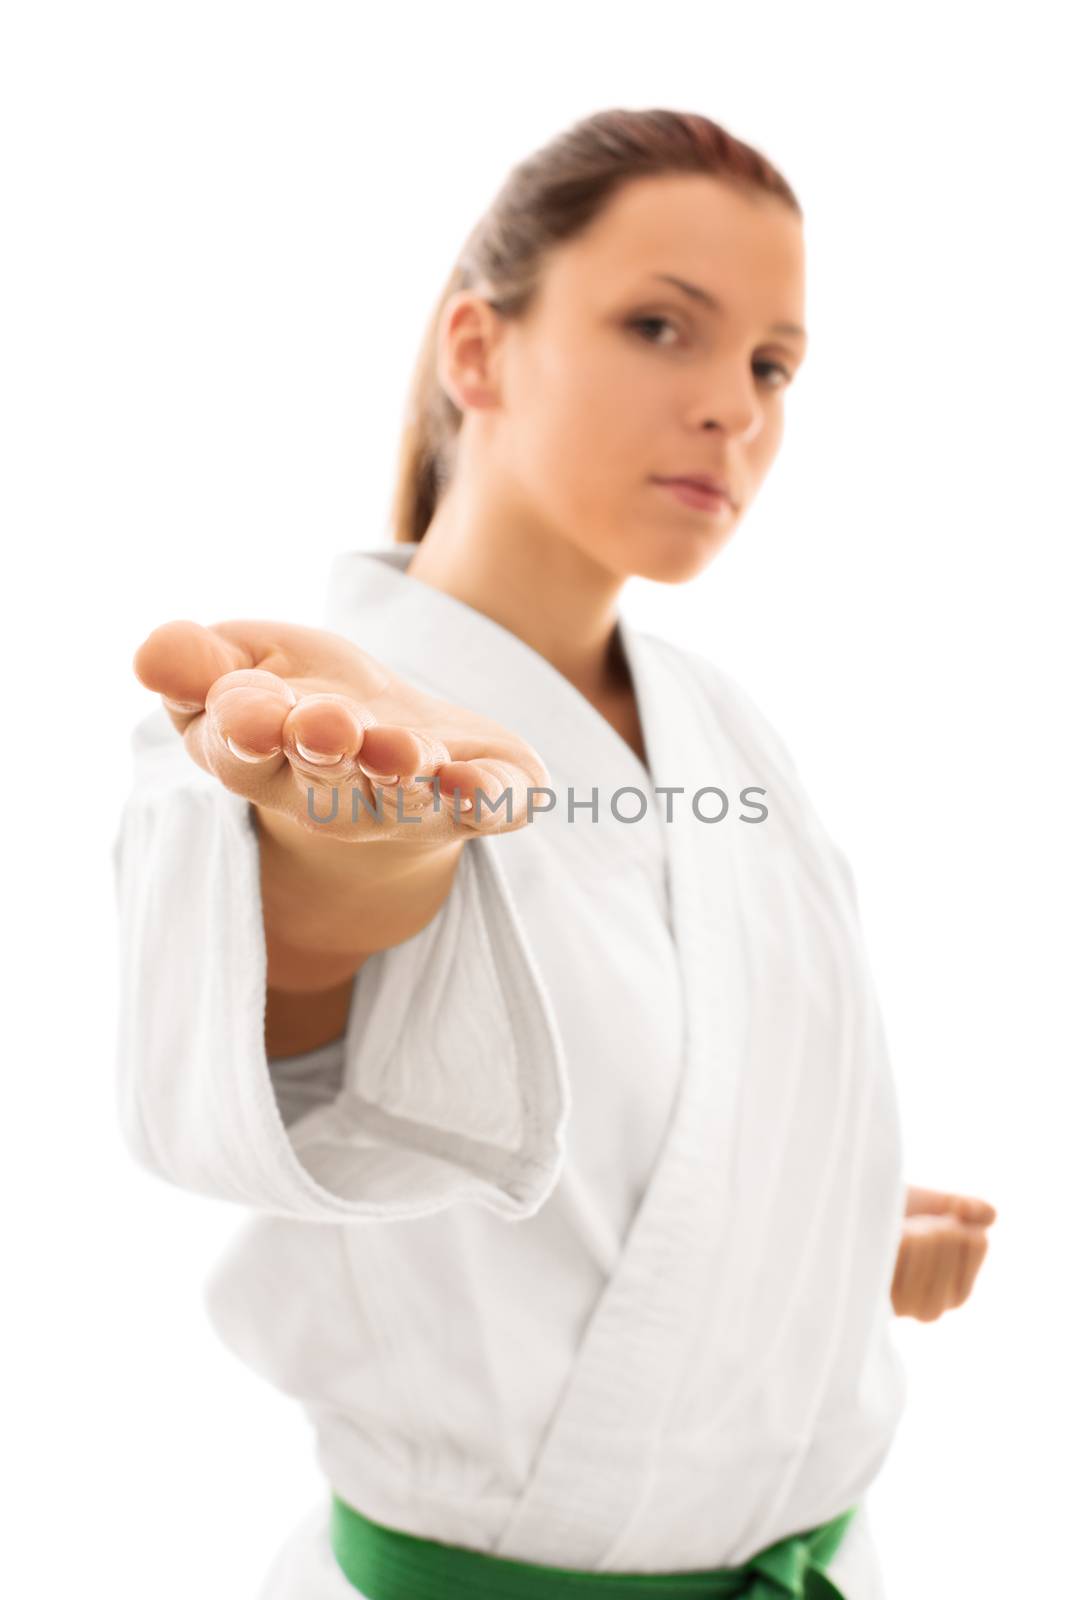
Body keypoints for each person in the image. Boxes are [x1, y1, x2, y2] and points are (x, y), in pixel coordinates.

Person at [114, 107, 996, 1599]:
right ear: (478, 350)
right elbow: (291, 1033)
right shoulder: (326, 714)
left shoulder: (728, 734)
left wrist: (825, 1227)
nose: (737, 407)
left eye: (774, 365)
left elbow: (681, 1133)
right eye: (664, 326)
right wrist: (350, 869)